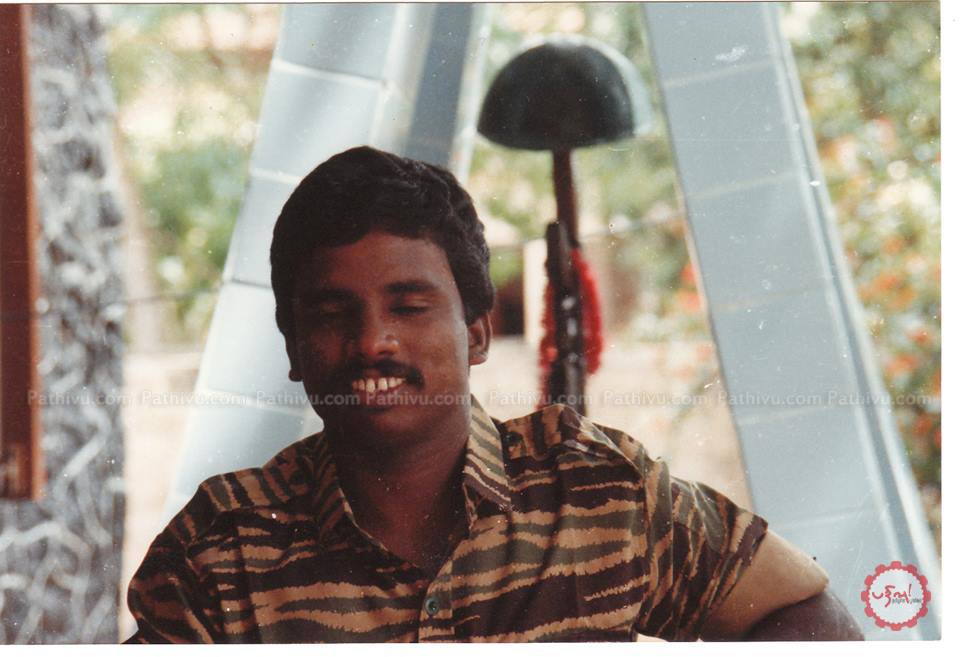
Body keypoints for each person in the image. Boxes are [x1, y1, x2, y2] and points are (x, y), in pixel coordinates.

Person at [125, 146, 863, 642]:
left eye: (409, 305)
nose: (373, 340)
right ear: (292, 346)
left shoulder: (600, 491)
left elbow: (807, 613)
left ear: (477, 332)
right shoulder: (218, 556)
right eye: (331, 312)